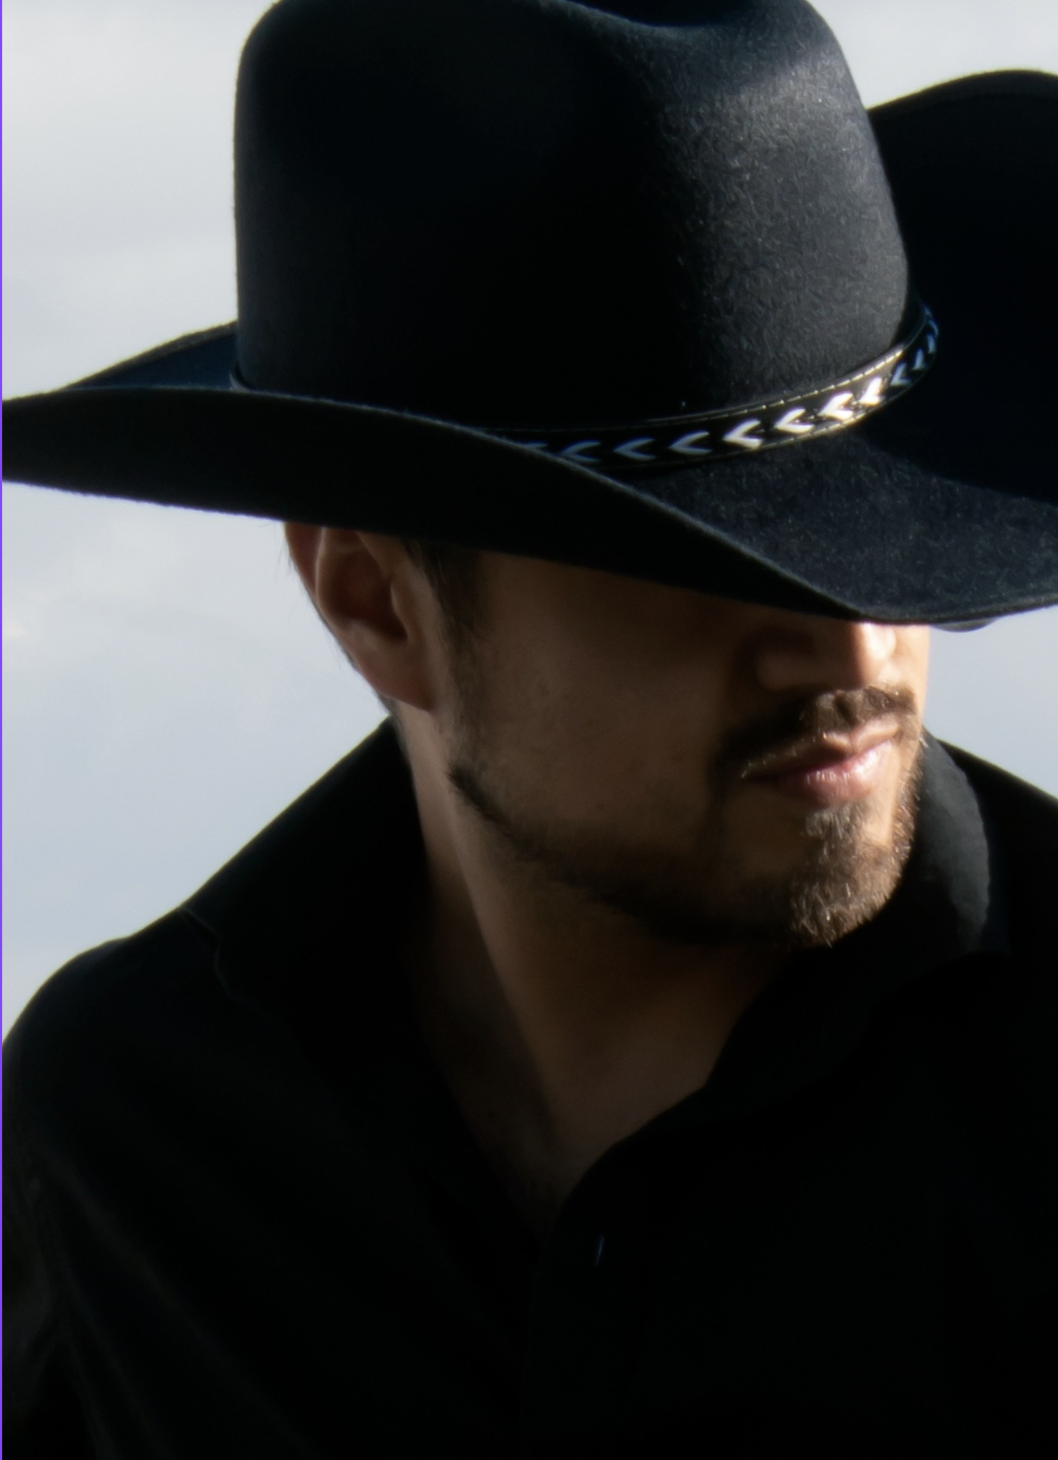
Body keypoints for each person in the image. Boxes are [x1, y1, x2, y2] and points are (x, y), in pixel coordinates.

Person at [4, 0, 1057, 1453]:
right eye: (696, 563)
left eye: (885, 532)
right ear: (374, 602)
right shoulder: (144, 1134)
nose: (850, 645)